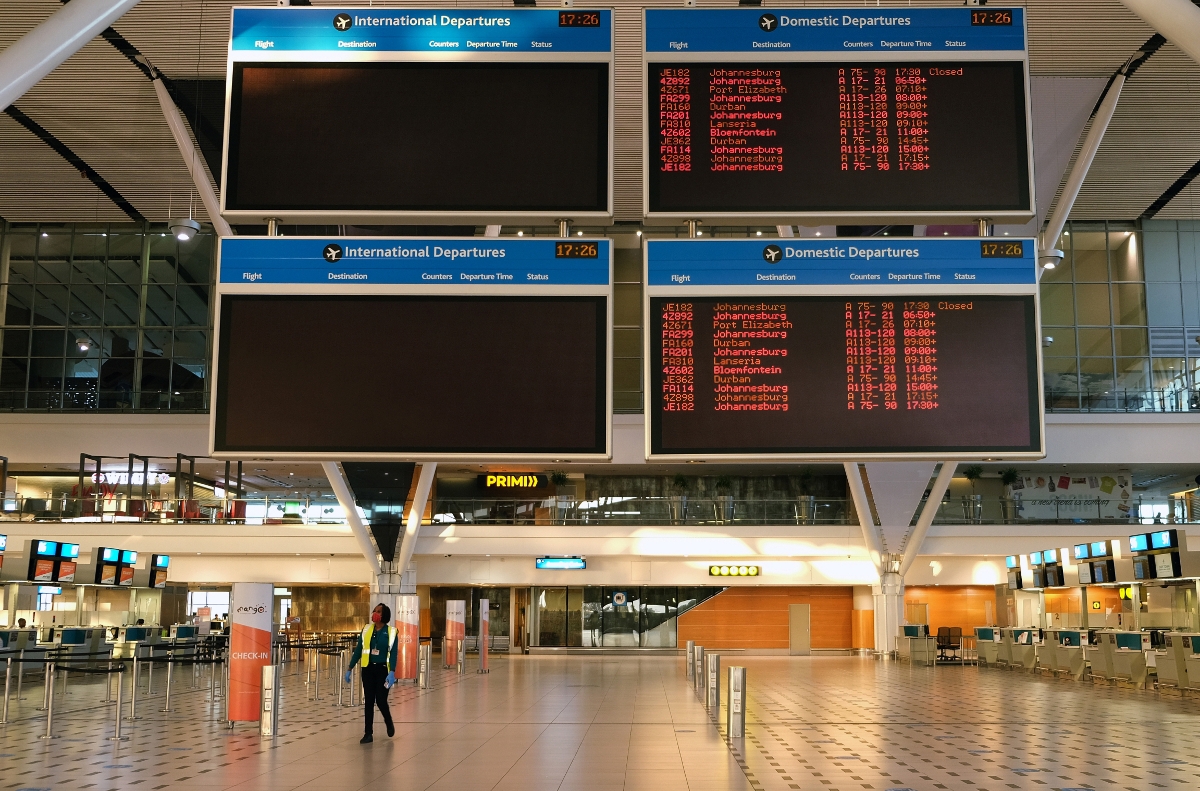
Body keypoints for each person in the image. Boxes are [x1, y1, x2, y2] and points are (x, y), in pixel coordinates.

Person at [345, 602, 397, 743]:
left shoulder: (391, 632)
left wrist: (392, 671)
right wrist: (350, 668)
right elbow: (359, 650)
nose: (375, 613)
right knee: (368, 701)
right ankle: (368, 733)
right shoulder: (366, 630)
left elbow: (393, 654)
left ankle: (388, 720)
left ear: (384, 614)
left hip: (383, 671)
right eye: (374, 611)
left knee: (380, 700)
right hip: (368, 669)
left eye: (378, 611)